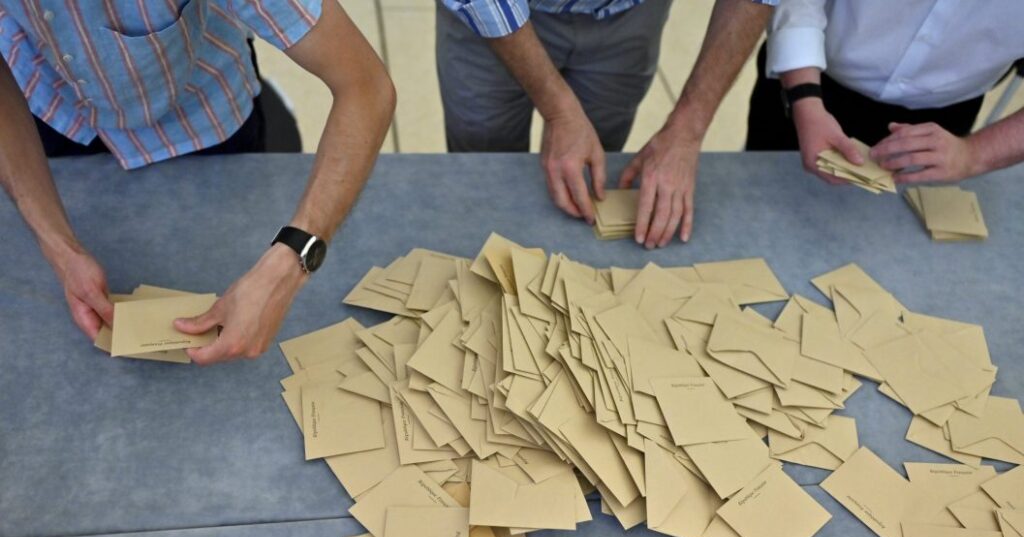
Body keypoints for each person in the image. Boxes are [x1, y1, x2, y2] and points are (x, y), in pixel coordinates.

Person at [0, 0, 395, 365]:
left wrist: (292, 260)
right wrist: (58, 246)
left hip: (203, 112)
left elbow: (366, 86)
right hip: (52, 109)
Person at [436, 0, 776, 249]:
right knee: (484, 171)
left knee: (588, 177)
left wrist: (687, 130)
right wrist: (560, 111)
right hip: (490, 15)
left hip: (629, 14)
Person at [746, 0, 1024, 187]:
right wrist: (804, 98)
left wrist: (974, 153)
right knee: (765, 195)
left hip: (943, 126)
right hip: (806, 79)